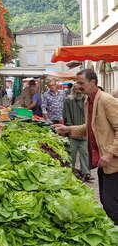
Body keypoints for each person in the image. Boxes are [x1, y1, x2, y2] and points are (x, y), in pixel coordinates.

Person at [55, 69, 118, 225]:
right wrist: (69, 129)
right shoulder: (88, 100)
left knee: (111, 204)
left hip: (113, 161)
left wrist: (110, 154)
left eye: (81, 83)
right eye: (77, 82)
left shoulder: (106, 100)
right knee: (107, 201)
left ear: (93, 82)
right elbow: (90, 126)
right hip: (103, 161)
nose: (78, 86)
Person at [63, 83, 91, 182]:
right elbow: (67, 115)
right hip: (73, 131)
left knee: (85, 153)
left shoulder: (87, 100)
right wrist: (70, 129)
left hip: (84, 131)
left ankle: (86, 173)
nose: (78, 91)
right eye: (76, 90)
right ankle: (70, 172)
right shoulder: (68, 100)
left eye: (80, 89)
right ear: (73, 90)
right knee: (72, 154)